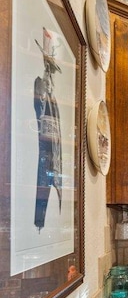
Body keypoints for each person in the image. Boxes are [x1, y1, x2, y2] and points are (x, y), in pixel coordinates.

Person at [33, 27, 62, 231]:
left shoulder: (55, 101)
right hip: (42, 156)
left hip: (52, 159)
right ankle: (39, 222)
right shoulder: (39, 87)